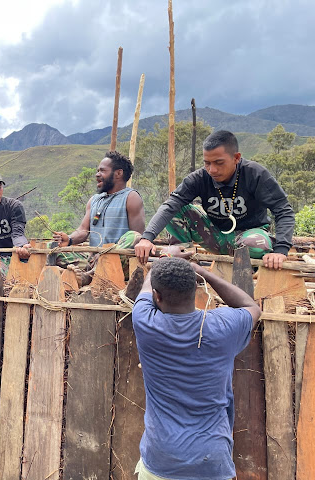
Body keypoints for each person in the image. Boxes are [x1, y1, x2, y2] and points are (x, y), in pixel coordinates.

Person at [132, 255, 261, 479]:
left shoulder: (145, 322)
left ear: (157, 296)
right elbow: (251, 306)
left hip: (161, 457)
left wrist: (161, 262)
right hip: (210, 460)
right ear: (195, 288)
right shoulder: (223, 326)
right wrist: (204, 272)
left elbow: (145, 290)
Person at [135, 130, 295, 270]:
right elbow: (171, 205)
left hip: (249, 236)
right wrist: (146, 238)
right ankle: (185, 265)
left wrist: (281, 250)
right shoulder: (199, 178)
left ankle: (246, 270)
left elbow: (283, 211)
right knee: (177, 208)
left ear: (236, 158)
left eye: (219, 163)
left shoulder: (255, 174)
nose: (212, 169)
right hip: (215, 235)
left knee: (257, 244)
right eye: (207, 163)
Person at [52, 151, 145, 286]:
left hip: (118, 262)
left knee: (134, 237)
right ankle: (75, 274)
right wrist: (70, 239)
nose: (97, 174)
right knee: (51, 247)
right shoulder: (94, 200)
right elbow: (83, 231)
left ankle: (87, 277)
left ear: (118, 173)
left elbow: (138, 238)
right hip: (92, 260)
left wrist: (105, 255)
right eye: (97, 171)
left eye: (102, 171)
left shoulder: (131, 197)